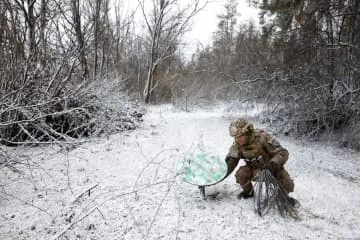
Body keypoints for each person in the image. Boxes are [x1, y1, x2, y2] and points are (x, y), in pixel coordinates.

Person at [225, 117, 297, 205]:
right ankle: (249, 192)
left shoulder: (263, 137)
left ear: (248, 132)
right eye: (235, 137)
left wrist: (273, 163)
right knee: (241, 174)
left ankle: (283, 196)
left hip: (271, 168)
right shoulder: (236, 145)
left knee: (287, 182)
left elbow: (283, 152)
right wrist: (217, 177)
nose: (237, 140)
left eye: (240, 136)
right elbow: (230, 163)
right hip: (254, 170)